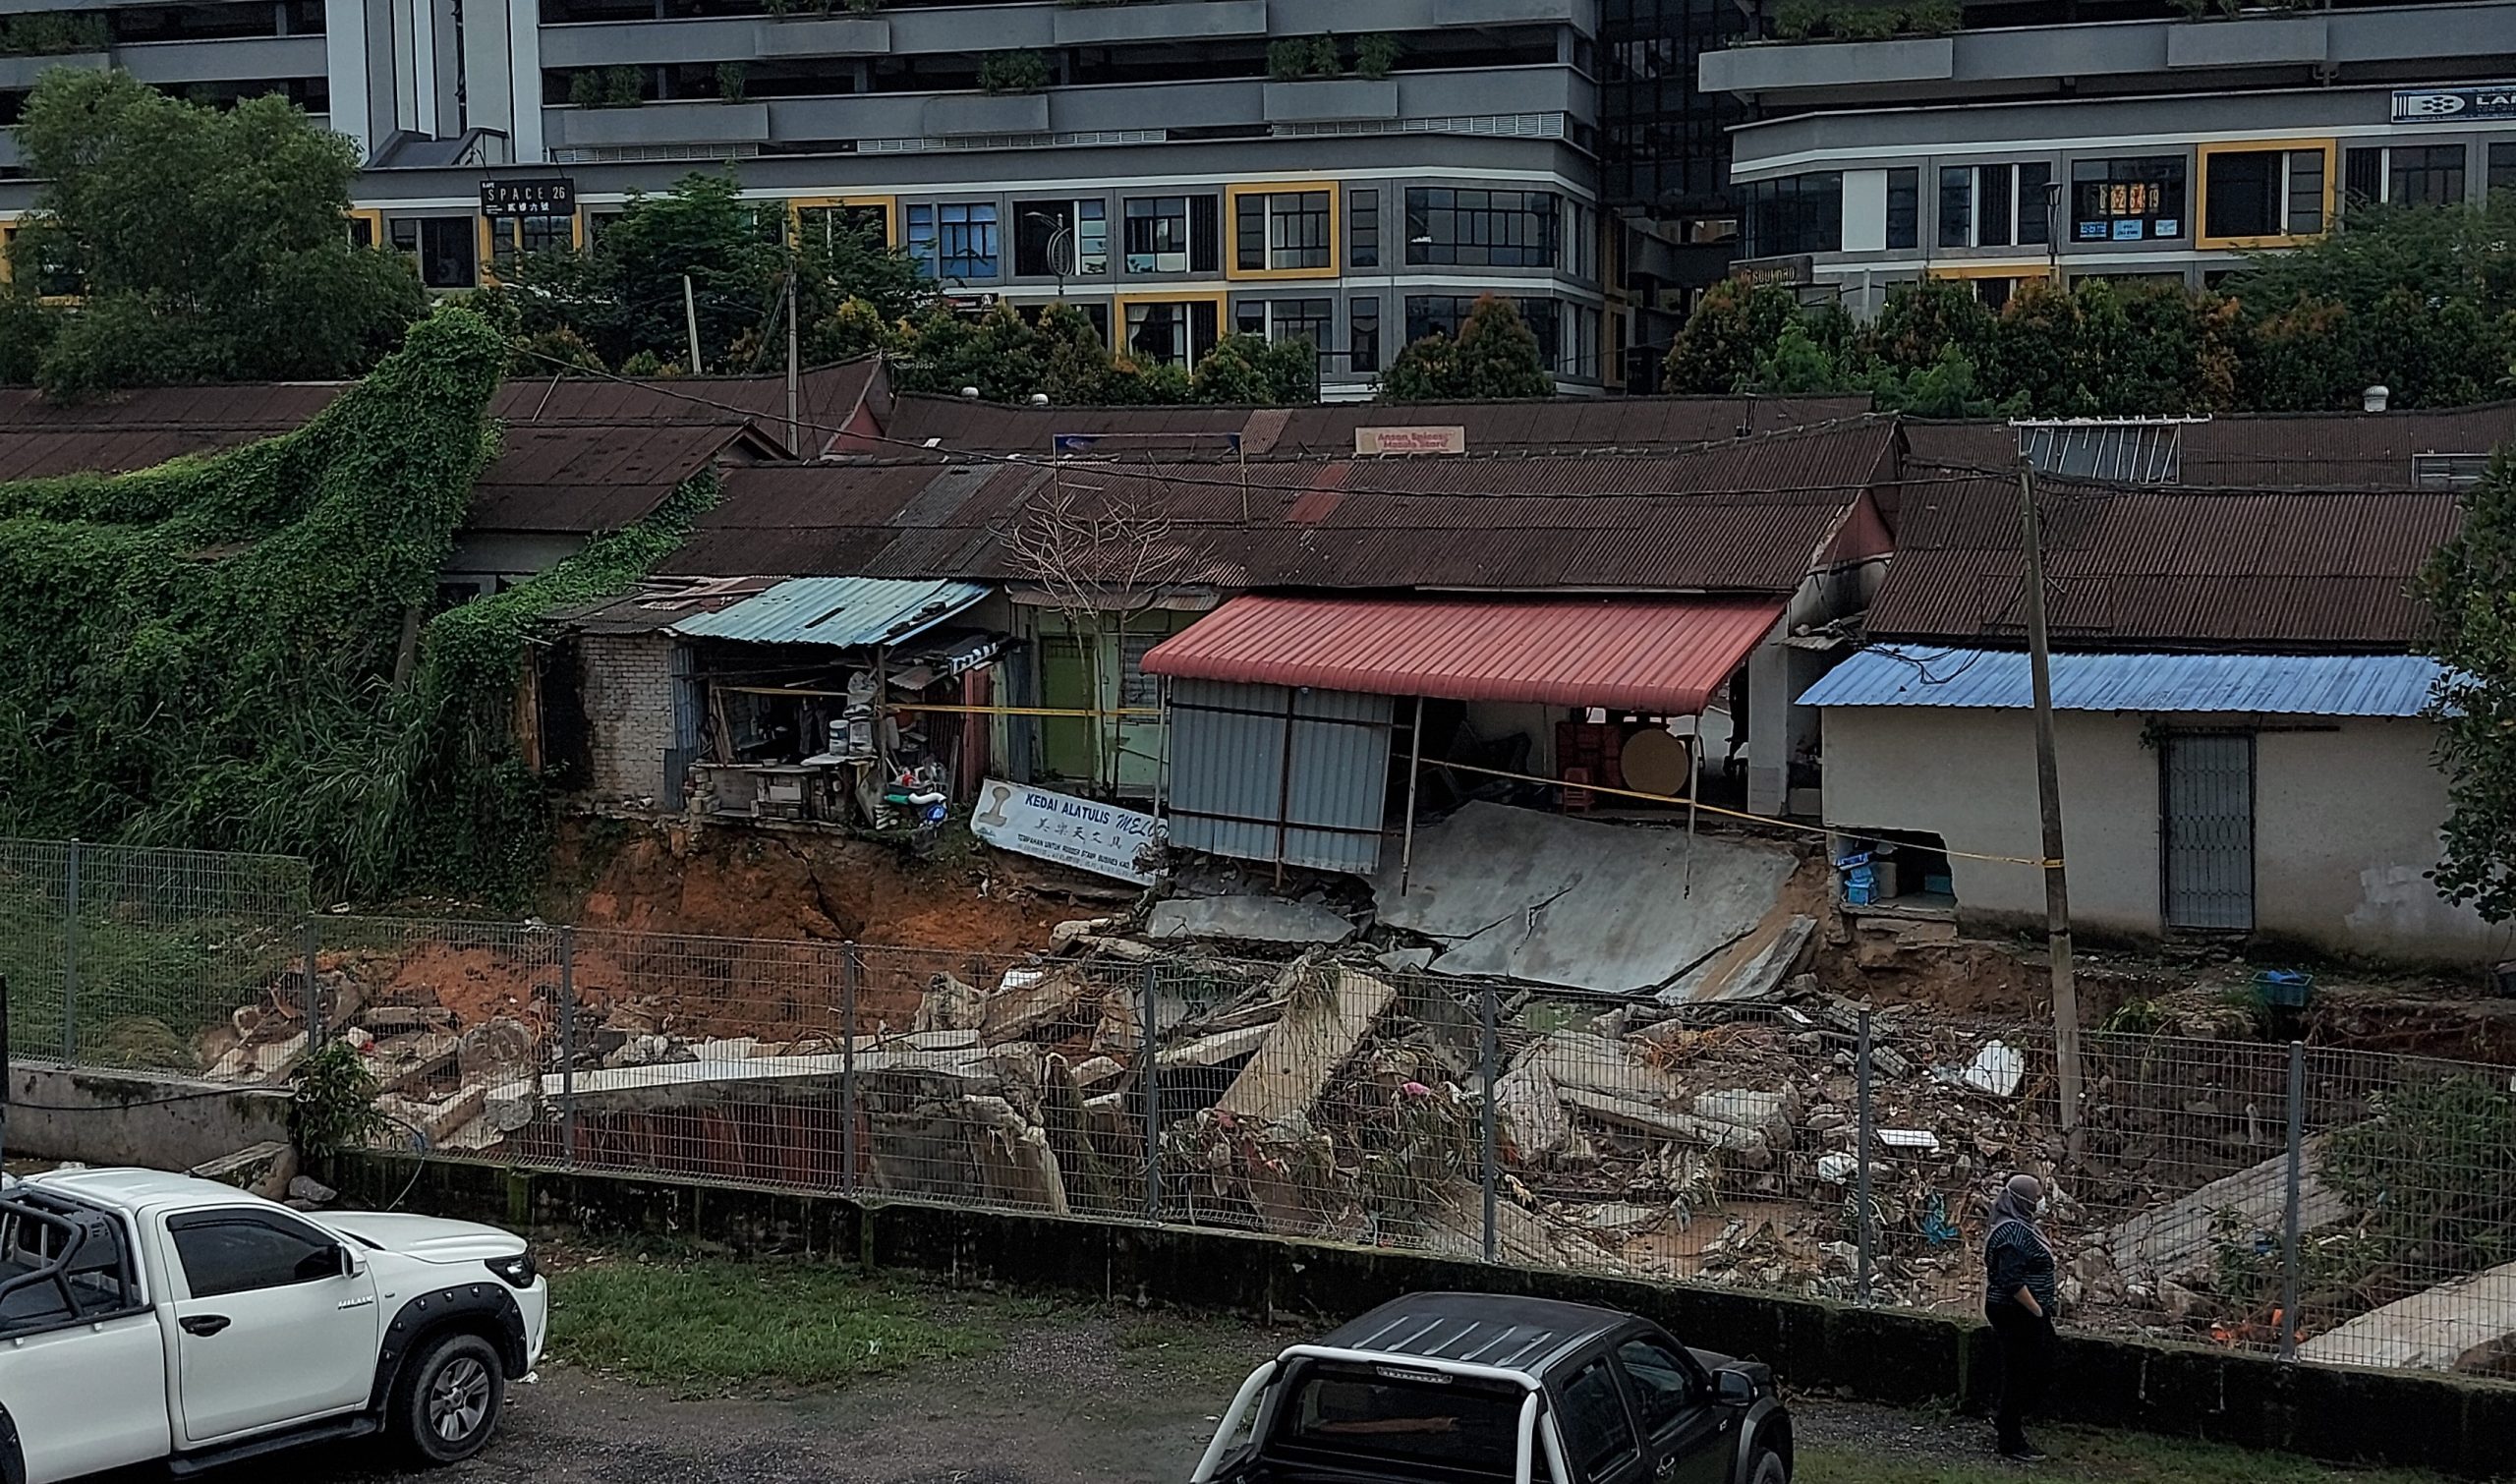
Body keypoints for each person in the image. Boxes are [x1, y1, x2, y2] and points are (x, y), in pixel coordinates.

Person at [1984, 1171, 2058, 1461]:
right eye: (2037, 1198)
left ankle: (2007, 1420)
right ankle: (2010, 1438)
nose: (2041, 1204)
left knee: (2039, 1367)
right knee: (2023, 1372)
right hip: (2017, 1312)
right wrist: (2036, 1309)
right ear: (2023, 1201)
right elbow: (2010, 1279)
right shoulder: (2011, 1233)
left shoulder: (2020, 1226)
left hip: (2026, 1313)